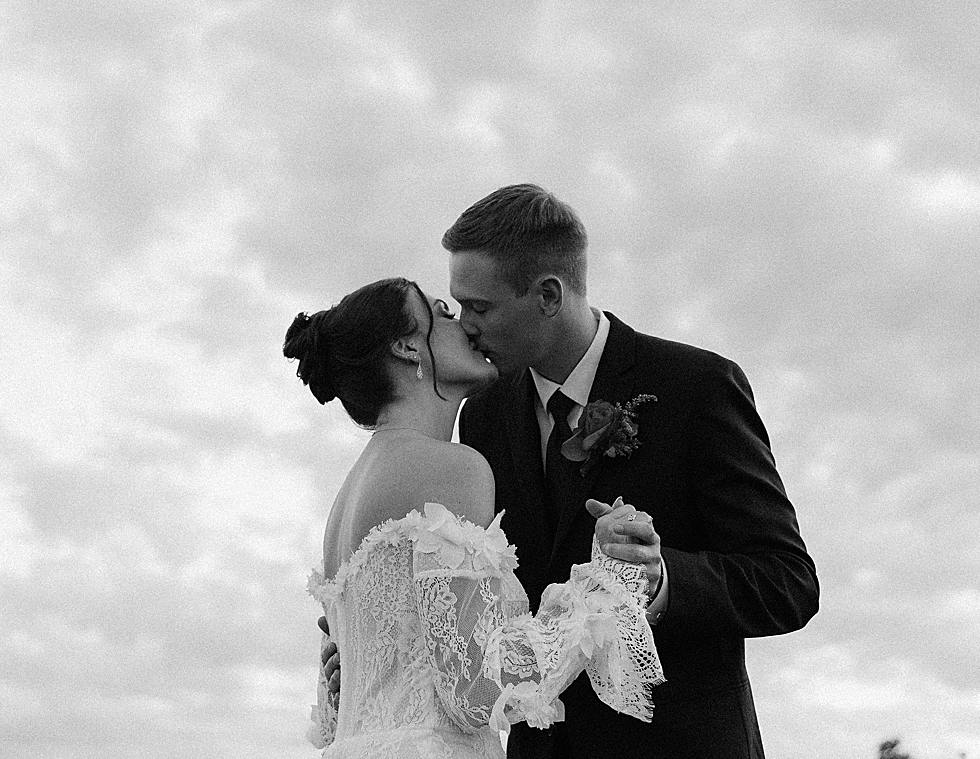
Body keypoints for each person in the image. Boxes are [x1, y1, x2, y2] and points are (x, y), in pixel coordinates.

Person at [446, 184, 819, 758]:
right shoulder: (484, 419)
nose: (465, 326)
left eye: (480, 307)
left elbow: (788, 583)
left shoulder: (695, 387)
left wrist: (661, 578)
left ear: (548, 294)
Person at [289, 277, 664, 758]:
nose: (464, 324)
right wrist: (606, 581)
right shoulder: (451, 467)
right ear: (407, 346)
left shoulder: (352, 492)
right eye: (442, 313)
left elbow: (335, 718)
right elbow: (476, 692)